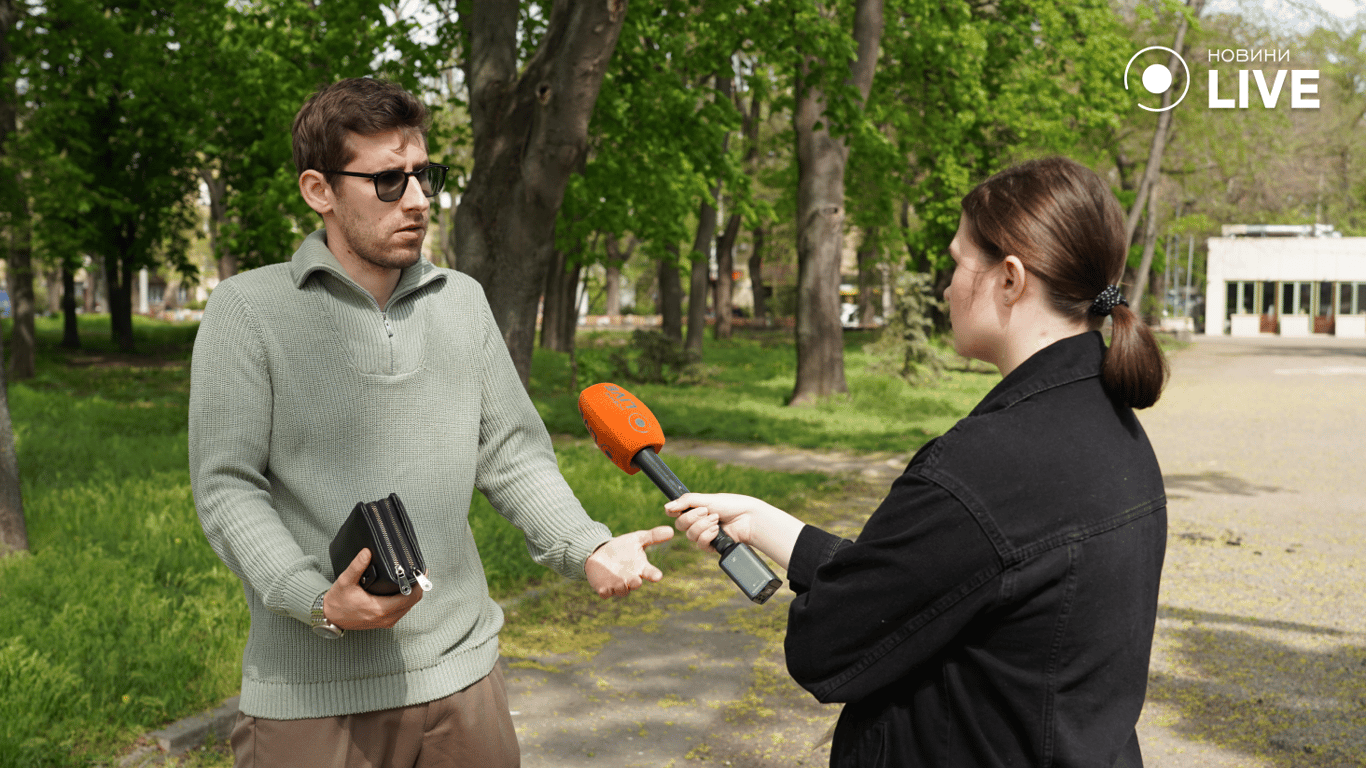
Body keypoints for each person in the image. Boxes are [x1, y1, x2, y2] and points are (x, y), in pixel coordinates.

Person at [188, 77, 672, 768]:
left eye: (424, 176)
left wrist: (585, 547)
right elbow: (227, 488)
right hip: (311, 696)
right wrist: (316, 599)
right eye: (388, 182)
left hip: (462, 681)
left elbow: (511, 454)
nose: (416, 200)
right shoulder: (247, 311)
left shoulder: (463, 303)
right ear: (318, 190)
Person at [667, 156, 1169, 768]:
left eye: (958, 263)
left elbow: (826, 645)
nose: (946, 286)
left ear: (1010, 279)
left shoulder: (988, 464)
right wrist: (768, 525)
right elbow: (942, 582)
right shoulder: (1113, 431)